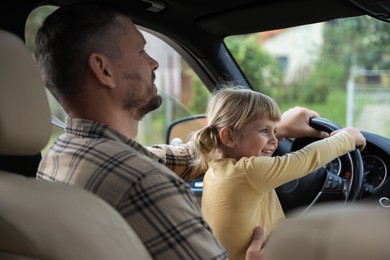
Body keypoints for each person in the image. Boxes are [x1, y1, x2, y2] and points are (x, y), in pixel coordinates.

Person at [34, 2, 330, 259]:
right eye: (141, 50)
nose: (154, 62)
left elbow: (172, 157)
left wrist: (270, 132)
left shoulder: (60, 155)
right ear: (103, 70)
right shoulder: (144, 183)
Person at [191, 86, 366, 260]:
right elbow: (304, 160)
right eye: (263, 131)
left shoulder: (215, 169)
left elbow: (265, 222)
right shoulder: (248, 171)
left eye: (275, 131)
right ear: (228, 137)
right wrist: (347, 138)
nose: (274, 140)